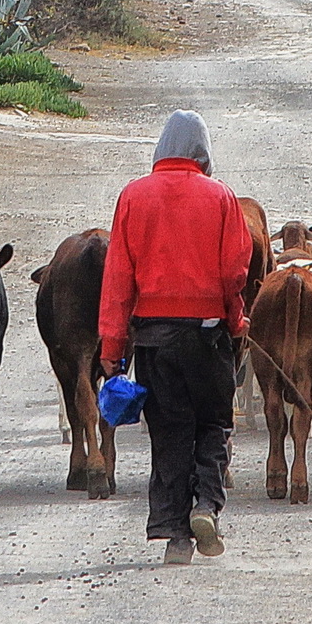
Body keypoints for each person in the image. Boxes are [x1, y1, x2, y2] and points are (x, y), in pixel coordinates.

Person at [97, 108, 254, 566]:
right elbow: (235, 272)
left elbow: (118, 279)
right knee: (212, 424)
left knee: (168, 432)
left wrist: (112, 348)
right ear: (202, 152)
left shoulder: (133, 196)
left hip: (153, 340)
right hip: (207, 335)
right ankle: (206, 504)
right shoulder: (221, 197)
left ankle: (175, 537)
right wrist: (235, 319)